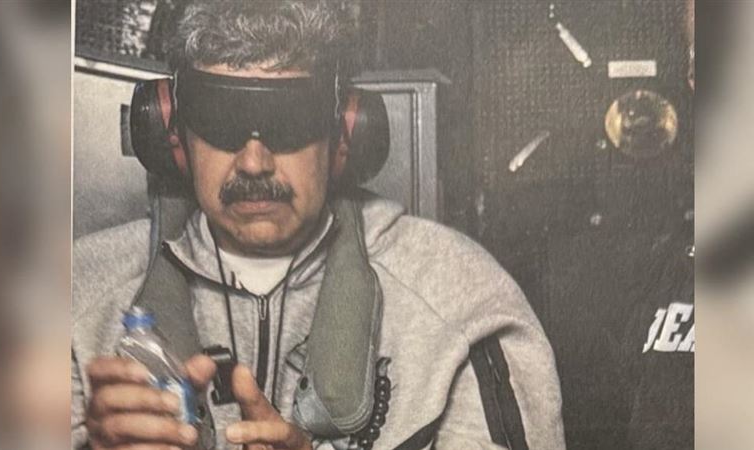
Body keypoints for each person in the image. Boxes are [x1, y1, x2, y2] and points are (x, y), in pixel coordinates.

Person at [71, 1, 564, 449]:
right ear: (172, 134)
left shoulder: (462, 299)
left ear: (345, 134)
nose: (254, 162)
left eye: (288, 121)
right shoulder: (73, 297)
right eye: (222, 120)